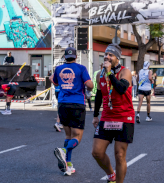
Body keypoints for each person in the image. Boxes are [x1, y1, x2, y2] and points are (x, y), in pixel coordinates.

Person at [92, 44, 135, 183]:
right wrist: (95, 115)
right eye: (106, 54)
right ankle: (111, 175)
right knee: (97, 152)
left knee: (119, 154)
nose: (107, 57)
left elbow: (121, 88)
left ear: (117, 58)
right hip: (107, 117)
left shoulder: (125, 72)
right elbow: (99, 95)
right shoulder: (100, 75)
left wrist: (110, 73)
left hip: (125, 117)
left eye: (111, 55)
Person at [50, 47, 94, 176]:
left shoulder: (58, 69)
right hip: (77, 104)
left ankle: (68, 165)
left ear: (65, 57)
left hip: (63, 103)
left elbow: (56, 83)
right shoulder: (81, 68)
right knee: (77, 137)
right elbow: (90, 85)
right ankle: (63, 150)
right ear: (76, 57)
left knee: (68, 136)